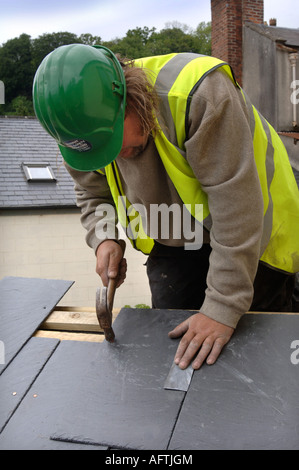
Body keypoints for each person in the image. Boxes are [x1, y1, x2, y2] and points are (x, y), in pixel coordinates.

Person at [33, 44, 299, 370]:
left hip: (256, 237)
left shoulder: (200, 96)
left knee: (257, 357)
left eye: (116, 145)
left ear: (131, 98)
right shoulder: (78, 133)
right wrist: (104, 237)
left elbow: (237, 210)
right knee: (175, 354)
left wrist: (222, 308)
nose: (111, 159)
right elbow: (91, 191)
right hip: (176, 238)